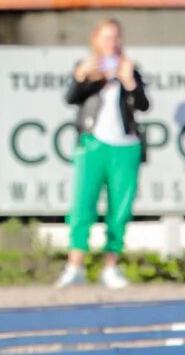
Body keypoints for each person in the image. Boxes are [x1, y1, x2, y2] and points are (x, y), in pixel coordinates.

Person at [56, 18, 149, 290]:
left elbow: (143, 104)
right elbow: (71, 98)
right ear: (96, 39)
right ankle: (75, 266)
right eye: (107, 37)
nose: (112, 43)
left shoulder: (129, 69)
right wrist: (82, 75)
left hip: (126, 146)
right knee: (82, 205)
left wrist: (129, 81)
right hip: (93, 143)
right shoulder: (87, 68)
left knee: (120, 209)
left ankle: (111, 265)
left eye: (116, 38)